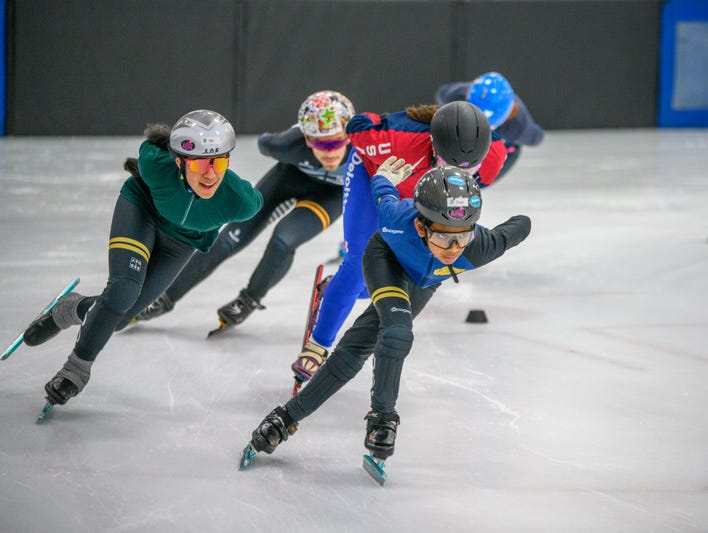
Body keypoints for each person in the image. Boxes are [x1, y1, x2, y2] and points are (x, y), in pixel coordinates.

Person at [246, 160, 531, 464]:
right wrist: (383, 177)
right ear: (420, 226)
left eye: (463, 236)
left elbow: (522, 224)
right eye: (445, 237)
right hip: (387, 260)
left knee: (362, 341)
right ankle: (382, 417)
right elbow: (384, 196)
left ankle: (290, 415)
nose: (454, 247)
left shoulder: (480, 245)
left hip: (426, 281)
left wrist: (479, 227)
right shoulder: (397, 220)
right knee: (396, 331)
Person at [21, 110, 263, 408]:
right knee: (123, 290)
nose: (211, 174)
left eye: (220, 161)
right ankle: (75, 371)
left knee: (118, 318)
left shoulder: (239, 201)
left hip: (182, 243)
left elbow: (258, 201)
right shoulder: (156, 165)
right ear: (179, 161)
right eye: (200, 163)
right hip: (142, 213)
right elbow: (150, 149)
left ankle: (68, 309)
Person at [290, 101, 508, 387]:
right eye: (446, 164)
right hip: (375, 177)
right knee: (358, 263)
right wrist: (386, 119)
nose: (457, 174)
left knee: (402, 280)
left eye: (470, 170)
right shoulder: (396, 139)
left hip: (424, 195)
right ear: (432, 145)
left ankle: (332, 291)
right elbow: (357, 126)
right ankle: (318, 345)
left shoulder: (494, 155)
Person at [133, 91, 356, 331]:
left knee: (284, 239)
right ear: (306, 139)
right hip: (289, 178)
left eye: (335, 141)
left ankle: (249, 300)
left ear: (350, 136)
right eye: (318, 143)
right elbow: (264, 143)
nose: (330, 152)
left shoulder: (364, 149)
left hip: (329, 197)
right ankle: (164, 298)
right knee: (229, 238)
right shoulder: (285, 145)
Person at [435, 71, 544, 179]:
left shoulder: (518, 128)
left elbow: (537, 138)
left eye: (489, 124)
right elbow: (441, 93)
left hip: (507, 147)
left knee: (475, 180)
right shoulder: (455, 95)